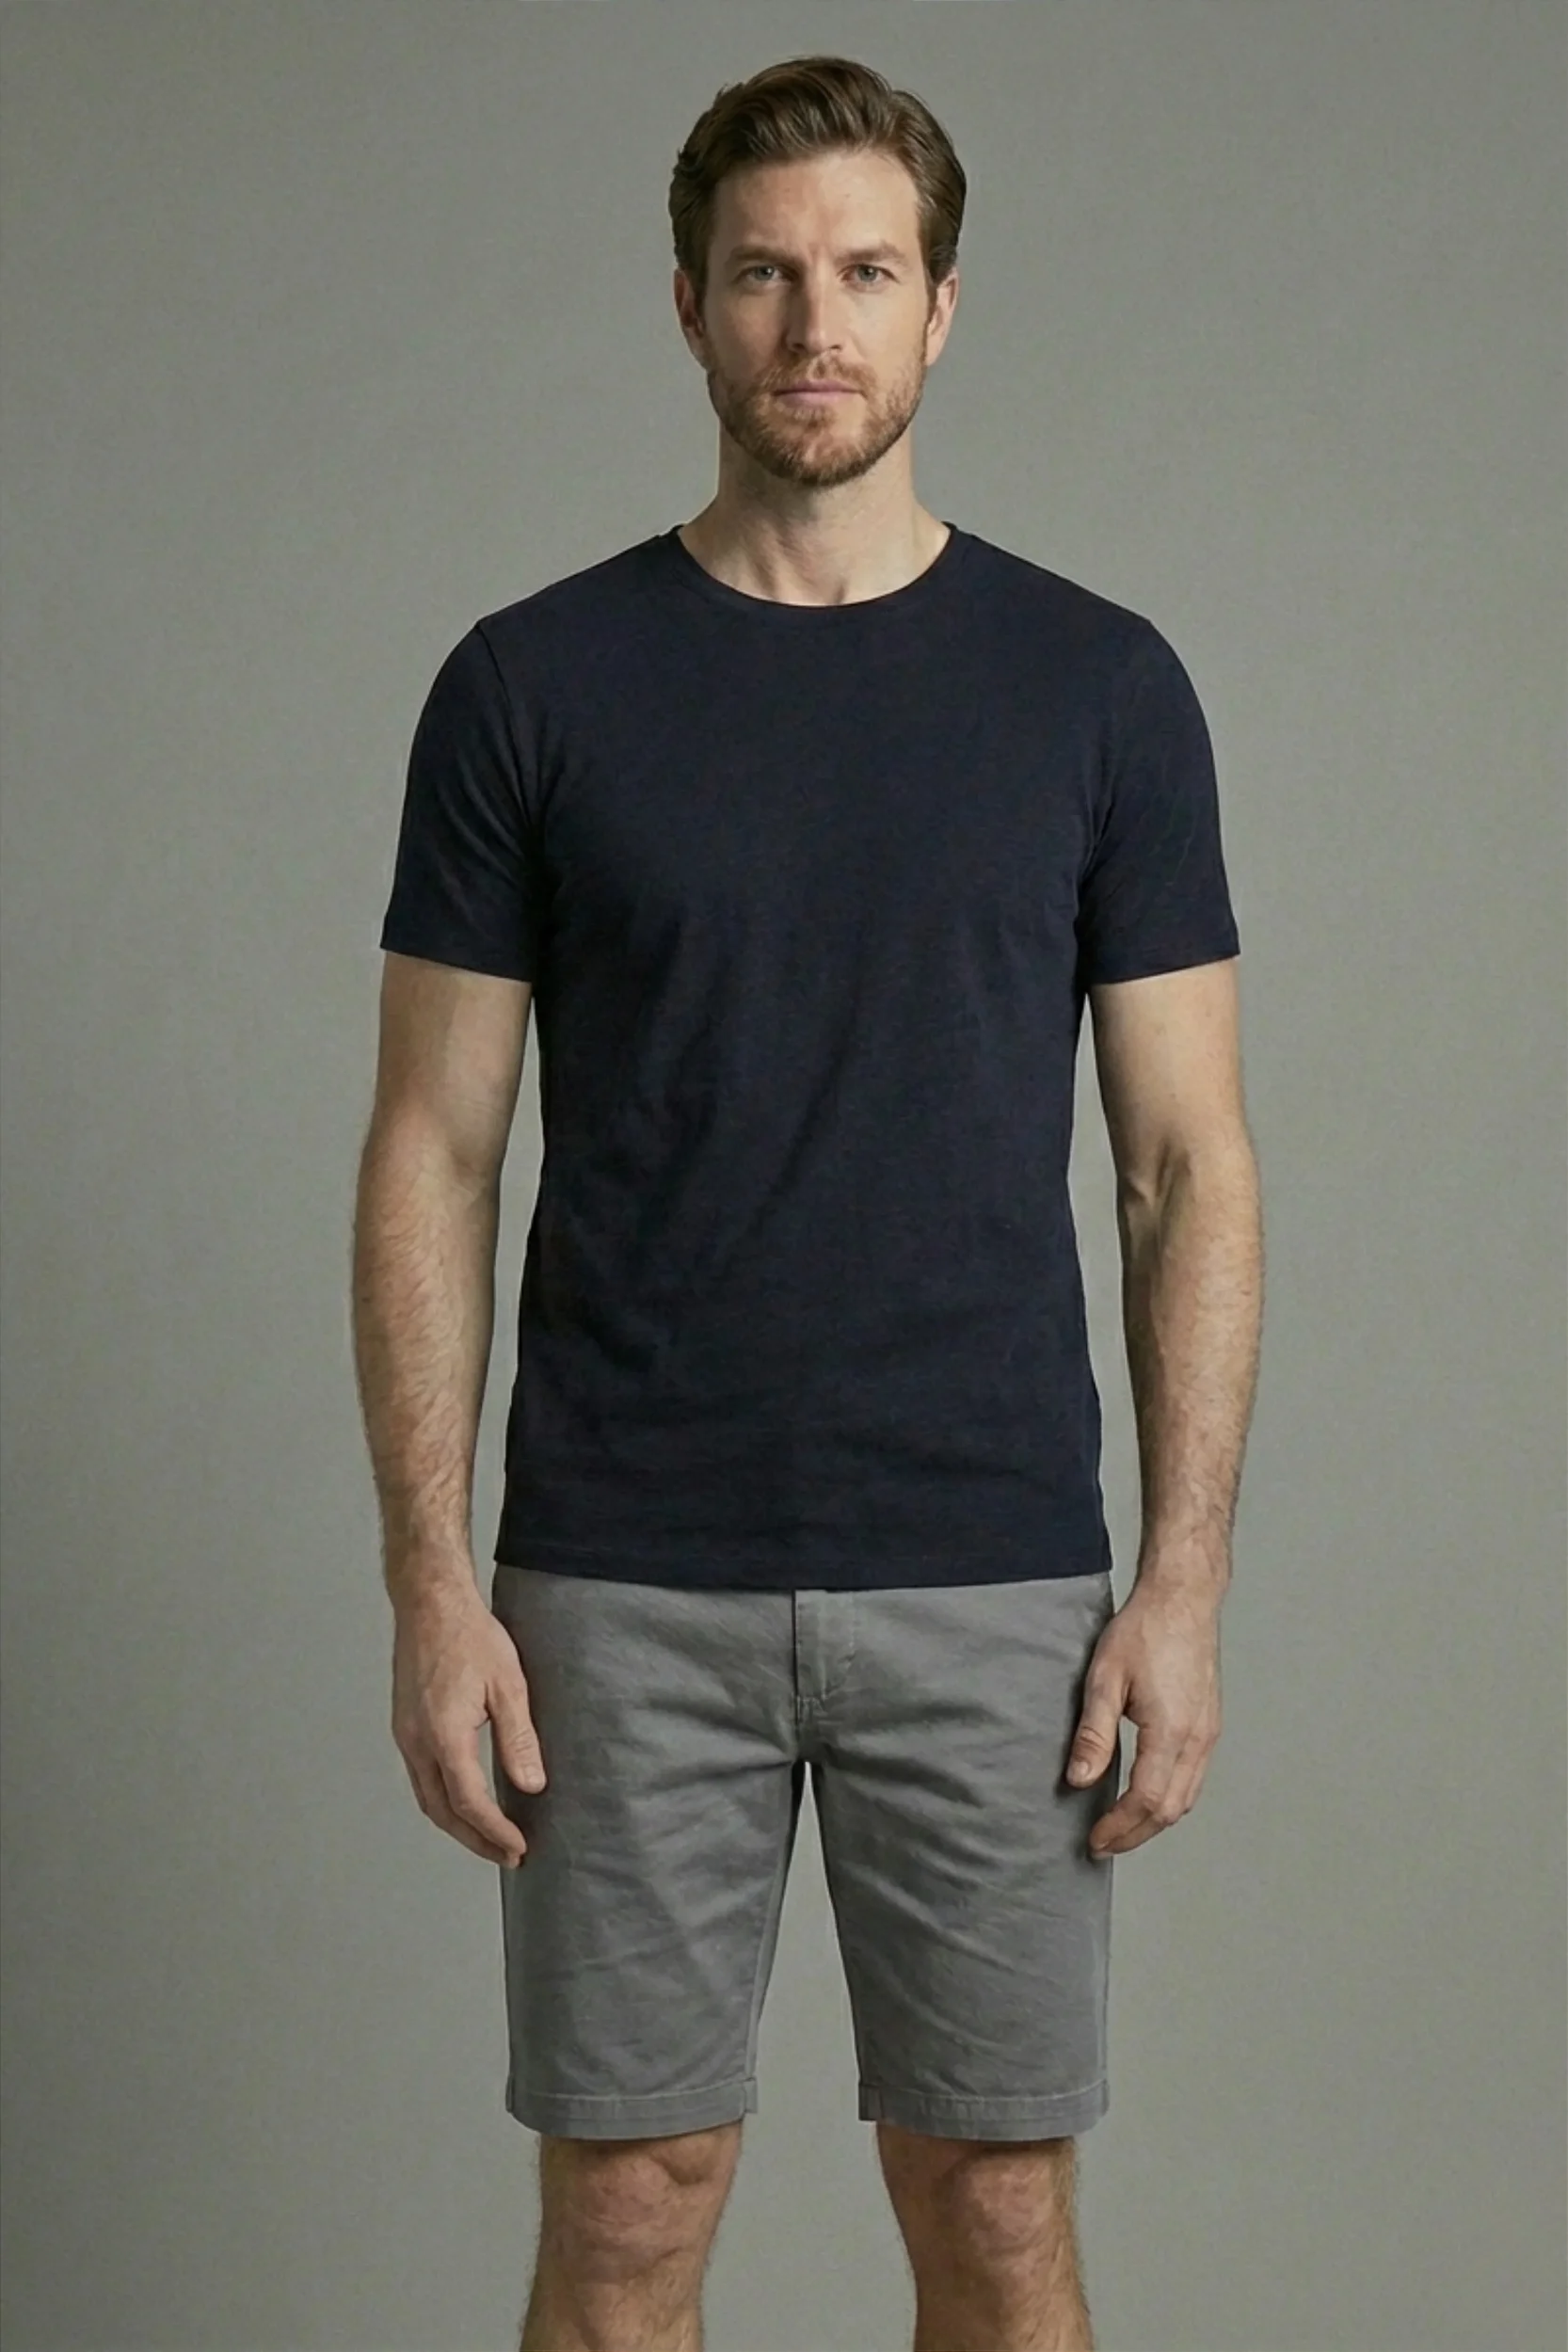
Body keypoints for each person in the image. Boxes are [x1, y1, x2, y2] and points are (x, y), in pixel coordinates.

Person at [352, 50, 1263, 2352]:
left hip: (989, 1565)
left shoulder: (1098, 689)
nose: (811, 324)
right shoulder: (529, 686)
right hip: (617, 1571)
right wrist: (432, 1586)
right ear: (686, 305)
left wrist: (1178, 1585)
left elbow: (1182, 1162)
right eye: (763, 275)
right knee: (629, 2214)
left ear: (940, 306)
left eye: (863, 273)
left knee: (995, 2211)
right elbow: (431, 1144)